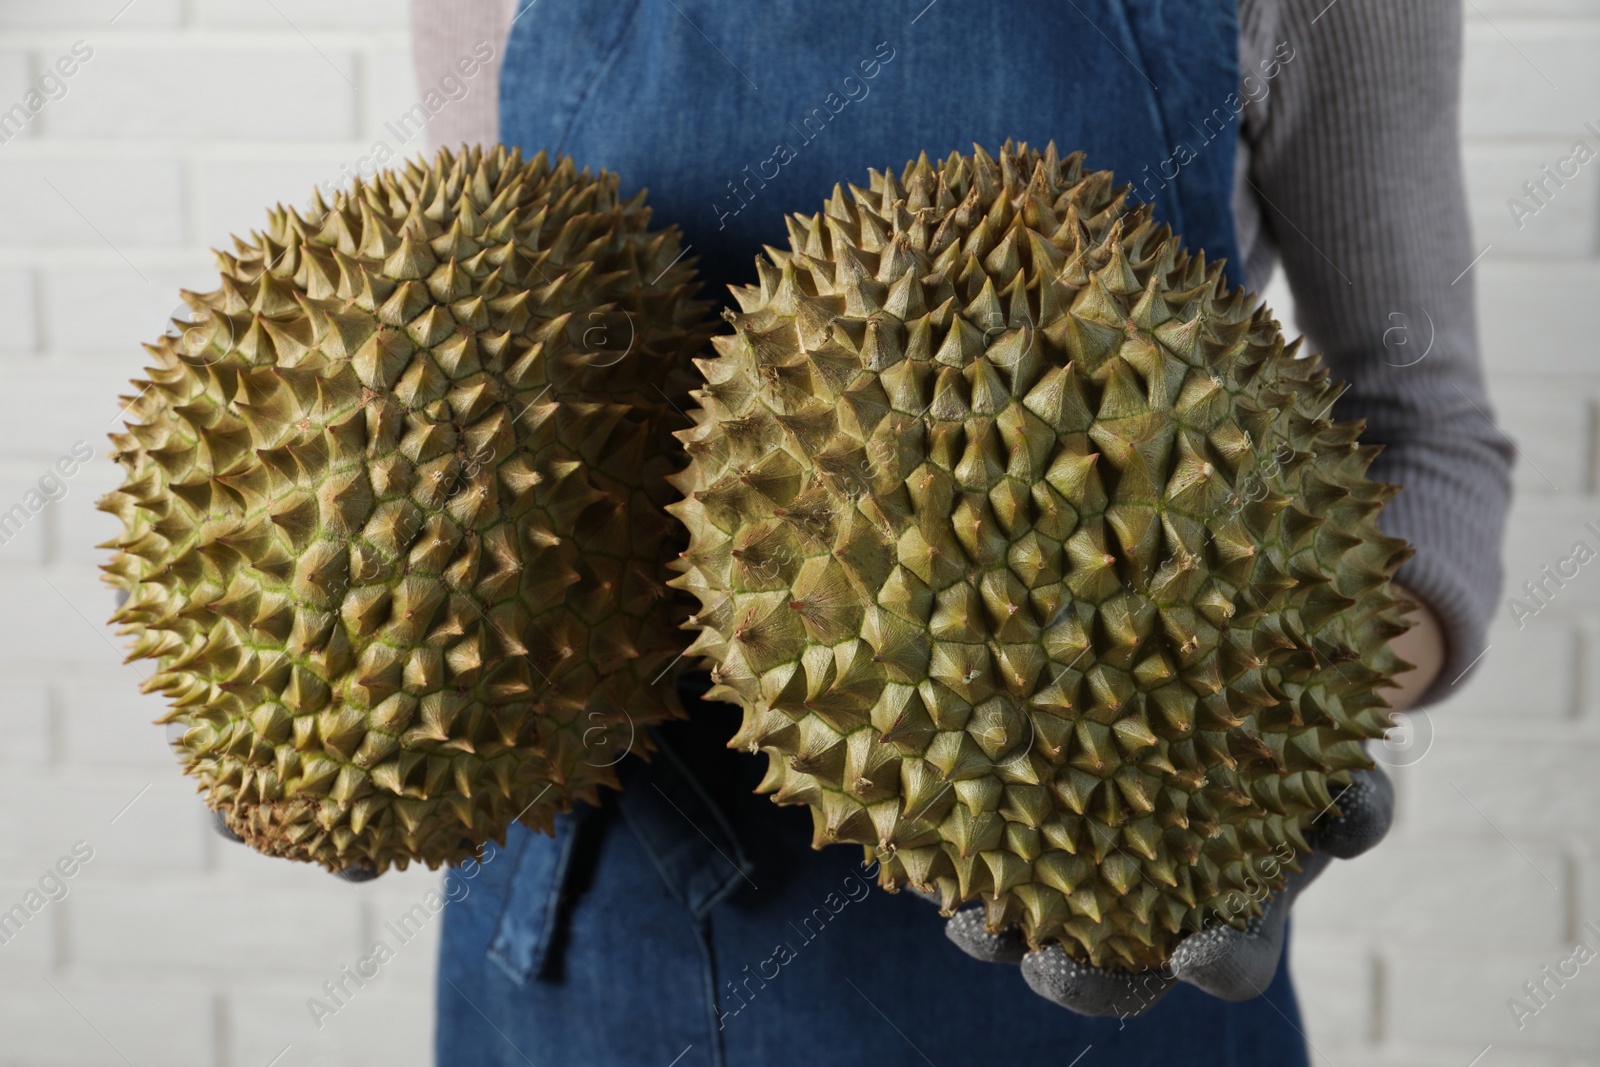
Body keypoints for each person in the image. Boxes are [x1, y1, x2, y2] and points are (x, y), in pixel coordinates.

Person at [409, 1, 1513, 1064]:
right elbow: (492, 359)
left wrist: (1284, 737)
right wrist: (382, 657)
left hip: (1108, 888)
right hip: (599, 937)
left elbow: (1423, 441)